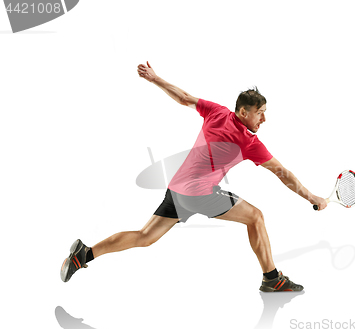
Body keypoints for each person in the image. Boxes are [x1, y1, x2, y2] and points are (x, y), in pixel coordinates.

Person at [60, 61, 328, 291]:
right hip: (198, 193)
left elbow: (184, 97)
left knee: (145, 237)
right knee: (256, 217)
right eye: (260, 114)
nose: (264, 120)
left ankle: (85, 254)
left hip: (177, 188)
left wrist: (155, 79)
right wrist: (312, 197)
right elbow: (283, 173)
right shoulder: (249, 142)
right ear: (244, 112)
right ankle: (272, 280)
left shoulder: (217, 112)